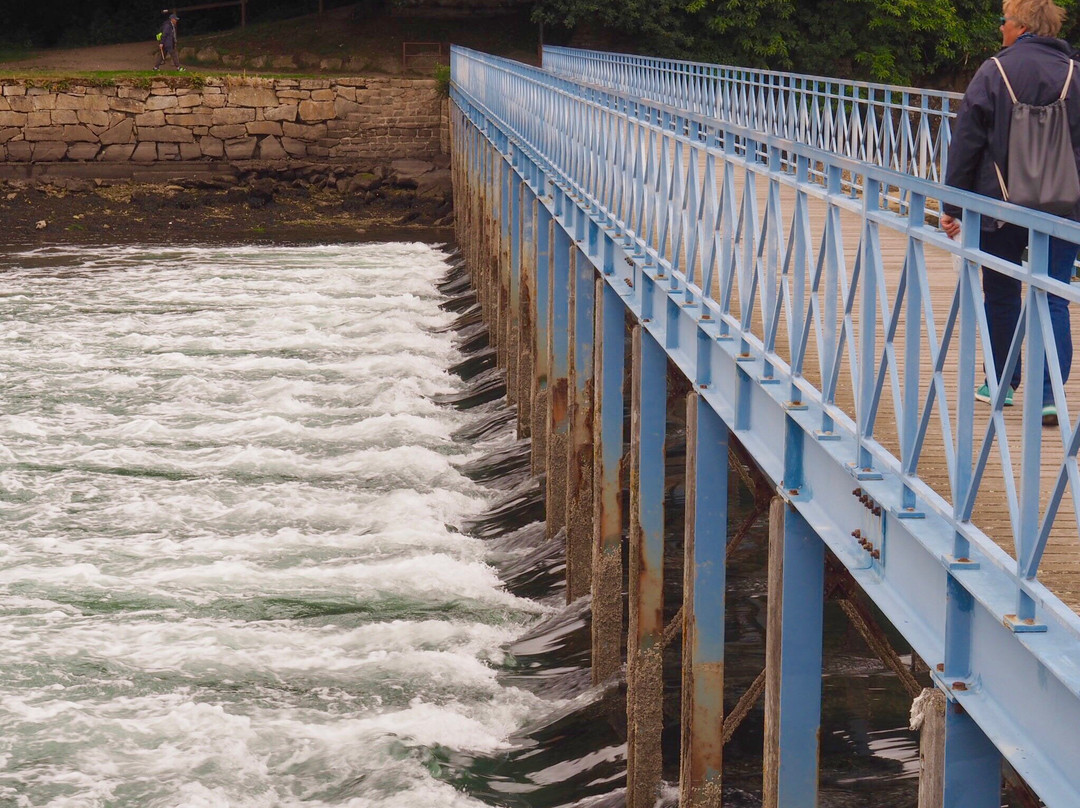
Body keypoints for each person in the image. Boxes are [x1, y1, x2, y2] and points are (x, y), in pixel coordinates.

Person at [941, 0, 1080, 426]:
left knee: (1001, 294)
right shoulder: (1076, 73)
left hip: (998, 205)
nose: (999, 28)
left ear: (1019, 26)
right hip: (1063, 207)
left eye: (1002, 21)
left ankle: (1001, 382)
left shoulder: (993, 72)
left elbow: (966, 142)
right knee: (1054, 294)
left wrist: (952, 206)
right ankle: (1049, 393)